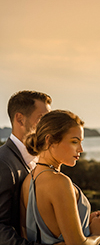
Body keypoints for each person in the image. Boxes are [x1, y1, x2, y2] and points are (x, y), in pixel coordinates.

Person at [20, 110, 100, 244]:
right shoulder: (60, 182)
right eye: (74, 142)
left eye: (81, 142)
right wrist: (98, 233)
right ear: (50, 140)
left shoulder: (29, 179)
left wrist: (81, 222)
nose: (81, 149)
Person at [0, 90, 52, 245]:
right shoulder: (3, 163)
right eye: (42, 119)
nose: (48, 126)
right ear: (20, 119)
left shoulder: (43, 160)